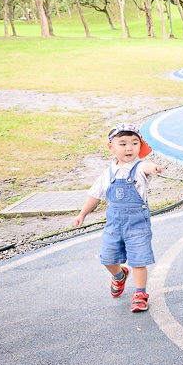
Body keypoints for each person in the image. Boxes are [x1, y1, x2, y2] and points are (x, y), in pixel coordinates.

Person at [74, 123, 163, 313]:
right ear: (111, 147)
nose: (129, 148)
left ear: (140, 146)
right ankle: (119, 274)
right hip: (114, 226)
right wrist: (82, 214)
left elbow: (146, 166)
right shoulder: (107, 174)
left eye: (134, 143)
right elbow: (96, 195)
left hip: (137, 225)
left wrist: (153, 167)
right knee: (107, 258)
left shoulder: (139, 168)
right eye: (122, 144)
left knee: (138, 261)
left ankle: (140, 294)